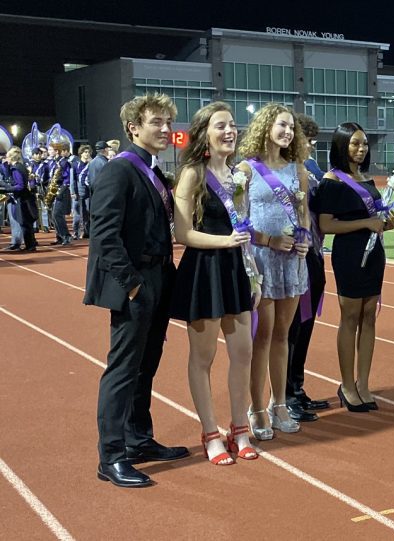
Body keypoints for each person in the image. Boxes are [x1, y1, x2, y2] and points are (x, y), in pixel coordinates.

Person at [84, 93, 189, 488]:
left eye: (167, 122)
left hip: (160, 276)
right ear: (133, 128)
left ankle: (138, 439)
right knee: (123, 370)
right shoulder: (119, 171)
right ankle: (110, 457)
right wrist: (131, 285)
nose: (165, 129)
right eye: (156, 122)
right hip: (136, 282)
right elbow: (104, 236)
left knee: (147, 365)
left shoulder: (153, 170)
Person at [170, 102, 259, 465]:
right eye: (221, 126)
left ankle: (240, 428)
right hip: (204, 270)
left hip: (236, 269)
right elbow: (182, 232)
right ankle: (210, 432)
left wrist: (253, 272)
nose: (229, 132)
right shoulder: (192, 173)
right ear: (205, 132)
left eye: (233, 125)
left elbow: (245, 225)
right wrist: (225, 242)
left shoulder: (241, 174)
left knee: (243, 353)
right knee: (203, 357)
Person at [313, 122, 394, 412]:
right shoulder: (331, 180)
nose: (361, 149)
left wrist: (388, 222)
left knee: (369, 316)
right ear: (341, 145)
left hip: (374, 254)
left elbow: (376, 216)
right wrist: (365, 223)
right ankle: (347, 385)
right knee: (350, 317)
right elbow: (326, 224)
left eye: (364, 144)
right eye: (354, 144)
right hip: (349, 254)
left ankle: (364, 383)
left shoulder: (367, 179)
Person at [236, 103, 310, 438]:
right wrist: (268, 240)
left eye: (292, 128)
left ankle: (279, 403)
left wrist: (306, 239)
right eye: (282, 125)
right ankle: (256, 407)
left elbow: (304, 213)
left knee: (284, 335)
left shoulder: (298, 169)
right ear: (266, 126)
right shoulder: (247, 169)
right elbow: (237, 220)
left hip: (293, 261)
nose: (288, 132)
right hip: (262, 261)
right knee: (261, 337)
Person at [284, 113, 330, 422]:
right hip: (290, 255)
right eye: (305, 140)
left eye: (311, 141)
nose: (309, 146)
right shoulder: (284, 170)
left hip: (313, 252)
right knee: (291, 328)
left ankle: (296, 388)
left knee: (307, 322)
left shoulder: (311, 168)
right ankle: (285, 394)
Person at [0, 147, 37, 251]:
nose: (5, 159)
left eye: (7, 157)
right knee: (26, 222)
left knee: (24, 221)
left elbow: (20, 185)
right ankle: (31, 244)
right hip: (25, 196)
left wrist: (8, 188)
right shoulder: (19, 166)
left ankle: (30, 245)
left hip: (23, 198)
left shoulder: (16, 168)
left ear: (11, 158)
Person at [72, 144, 92, 239]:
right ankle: (77, 231)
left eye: (88, 152)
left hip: (88, 191)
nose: (87, 154)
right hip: (79, 191)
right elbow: (73, 179)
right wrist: (73, 192)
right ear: (81, 153)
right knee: (78, 213)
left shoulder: (91, 164)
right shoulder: (76, 164)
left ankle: (87, 231)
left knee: (88, 212)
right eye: (85, 152)